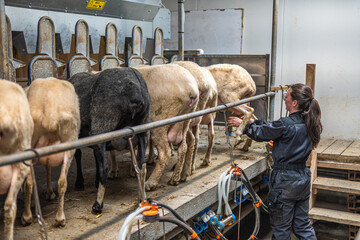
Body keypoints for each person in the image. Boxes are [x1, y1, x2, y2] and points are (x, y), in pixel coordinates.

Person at [228, 83, 322, 240]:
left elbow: (263, 133)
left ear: (294, 103)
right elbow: (270, 127)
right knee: (302, 225)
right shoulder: (310, 122)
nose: (284, 98)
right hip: (303, 178)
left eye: (287, 96)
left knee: (281, 229)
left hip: (285, 181)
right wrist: (252, 122)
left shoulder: (285, 124)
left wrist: (243, 126)